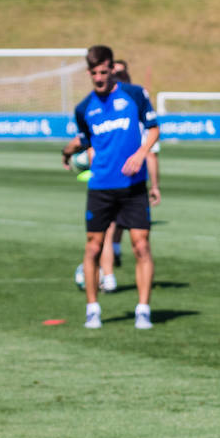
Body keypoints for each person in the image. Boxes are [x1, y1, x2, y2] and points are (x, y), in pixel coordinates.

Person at [62, 45, 159, 330]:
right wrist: (67, 153)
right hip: (101, 187)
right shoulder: (83, 108)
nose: (99, 78)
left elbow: (154, 129)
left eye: (103, 72)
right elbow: (86, 141)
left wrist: (141, 153)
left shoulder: (134, 94)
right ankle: (93, 308)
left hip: (133, 186)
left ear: (111, 68)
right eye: (94, 73)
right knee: (93, 247)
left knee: (141, 246)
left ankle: (143, 309)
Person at [95, 59, 161, 295]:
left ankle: (109, 275)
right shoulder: (136, 100)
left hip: (120, 180)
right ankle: (110, 271)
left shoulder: (122, 102)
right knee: (133, 238)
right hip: (129, 181)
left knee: (112, 229)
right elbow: (152, 154)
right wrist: (155, 185)